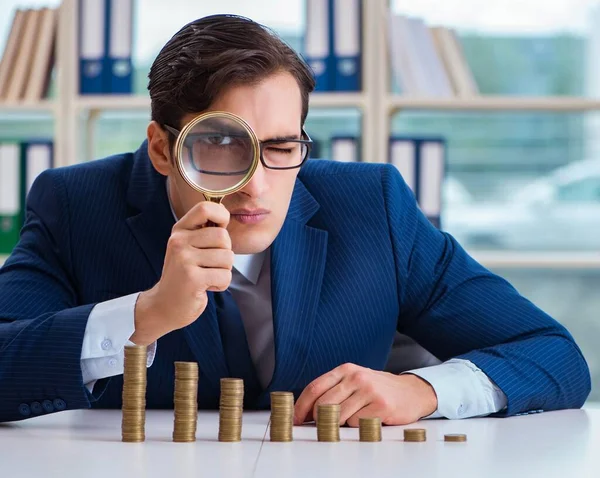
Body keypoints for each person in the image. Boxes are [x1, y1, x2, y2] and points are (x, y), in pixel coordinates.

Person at [0, 14, 590, 425]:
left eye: (282, 146)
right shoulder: (75, 205)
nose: (256, 184)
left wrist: (422, 390)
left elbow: (552, 353)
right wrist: (145, 314)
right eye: (221, 145)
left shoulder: (372, 205)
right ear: (161, 149)